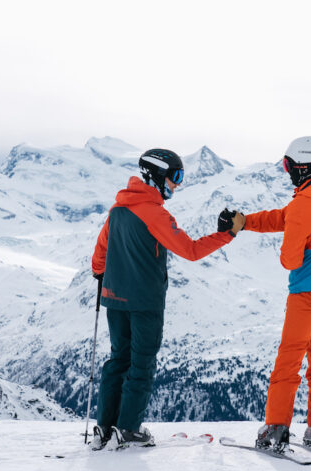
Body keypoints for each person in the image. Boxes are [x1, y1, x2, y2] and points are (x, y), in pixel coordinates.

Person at [90, 148, 245, 449]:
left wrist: (103, 276)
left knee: (117, 360)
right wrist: (226, 235)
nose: (177, 185)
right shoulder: (154, 213)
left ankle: (104, 428)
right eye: (175, 177)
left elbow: (100, 255)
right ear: (157, 176)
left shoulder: (118, 209)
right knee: (142, 364)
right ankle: (129, 430)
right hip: (145, 302)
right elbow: (190, 250)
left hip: (114, 299)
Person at [225, 136, 311, 453]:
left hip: (307, 294)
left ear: (301, 168)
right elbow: (285, 216)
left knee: (289, 362)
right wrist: (246, 222)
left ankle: (275, 430)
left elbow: (289, 260)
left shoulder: (302, 206)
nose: (286, 171)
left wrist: (292, 244)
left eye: (287, 166)